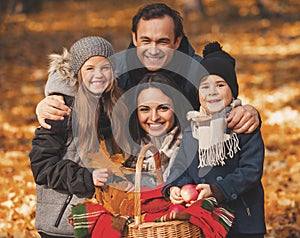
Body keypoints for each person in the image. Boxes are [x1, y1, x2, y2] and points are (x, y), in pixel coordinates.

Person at [35, 3, 260, 135]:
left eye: (162, 41)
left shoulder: (198, 71)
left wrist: (249, 110)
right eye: (145, 40)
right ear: (134, 37)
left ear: (177, 40)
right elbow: (73, 68)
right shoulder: (117, 67)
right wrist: (55, 96)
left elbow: (225, 96)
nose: (153, 50)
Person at [162, 42, 266, 237]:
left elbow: (251, 171)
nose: (212, 92)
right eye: (205, 87)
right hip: (206, 221)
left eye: (220, 85)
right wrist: (175, 187)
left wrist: (218, 190)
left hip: (243, 220)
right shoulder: (193, 129)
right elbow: (180, 167)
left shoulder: (242, 126)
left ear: (232, 90)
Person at [29, 36, 129, 238]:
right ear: (78, 72)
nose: (98, 75)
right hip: (62, 221)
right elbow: (41, 164)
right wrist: (86, 177)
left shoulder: (115, 105)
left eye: (105, 67)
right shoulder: (61, 109)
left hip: (100, 219)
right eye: (90, 68)